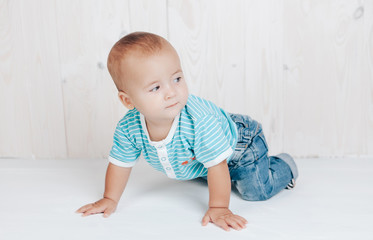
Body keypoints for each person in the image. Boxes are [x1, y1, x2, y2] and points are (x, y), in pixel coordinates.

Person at [76, 31, 298, 231]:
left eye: (177, 79)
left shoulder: (199, 121)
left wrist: (219, 207)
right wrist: (109, 199)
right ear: (128, 100)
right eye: (156, 87)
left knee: (254, 192)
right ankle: (224, 177)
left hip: (241, 146)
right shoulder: (129, 128)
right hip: (206, 156)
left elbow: (217, 165)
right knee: (206, 171)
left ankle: (285, 166)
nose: (172, 92)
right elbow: (119, 164)